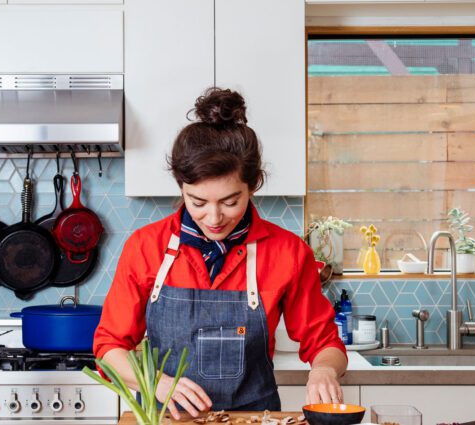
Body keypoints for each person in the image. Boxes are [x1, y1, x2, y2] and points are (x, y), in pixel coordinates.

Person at [92, 87, 347, 418]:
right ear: (181, 187)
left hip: (255, 419)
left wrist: (324, 369)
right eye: (197, 202)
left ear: (253, 184)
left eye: (230, 202)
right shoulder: (146, 247)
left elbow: (325, 341)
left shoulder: (287, 252)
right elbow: (108, 348)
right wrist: (156, 383)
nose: (214, 218)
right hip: (165, 419)